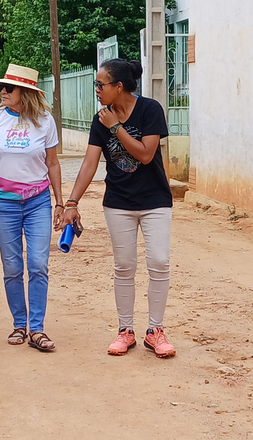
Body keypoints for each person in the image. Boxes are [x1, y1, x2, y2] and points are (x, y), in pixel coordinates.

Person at [60, 58, 176, 358]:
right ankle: (126, 330)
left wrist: (118, 128)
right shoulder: (100, 119)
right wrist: (72, 202)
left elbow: (147, 155)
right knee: (124, 266)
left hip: (155, 201)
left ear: (118, 86)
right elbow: (89, 162)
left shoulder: (150, 110)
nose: (97, 89)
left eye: (101, 85)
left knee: (159, 262)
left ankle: (155, 331)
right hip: (119, 203)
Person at [0, 64, 63, 352]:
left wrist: (60, 202)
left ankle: (37, 329)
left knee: (38, 264)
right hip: (3, 202)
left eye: (9, 88)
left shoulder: (45, 121)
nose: (3, 92)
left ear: (26, 93)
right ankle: (19, 324)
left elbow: (53, 163)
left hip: (38, 201)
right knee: (11, 266)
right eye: (2, 87)